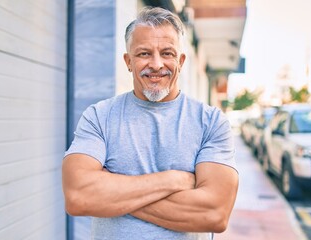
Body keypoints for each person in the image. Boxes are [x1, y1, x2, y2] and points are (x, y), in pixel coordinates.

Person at [62, 6, 238, 240]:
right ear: (128, 61)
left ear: (181, 61)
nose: (156, 64)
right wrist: (175, 180)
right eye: (144, 53)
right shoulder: (99, 117)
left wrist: (113, 193)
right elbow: (78, 197)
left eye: (167, 53)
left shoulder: (211, 123)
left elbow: (214, 214)